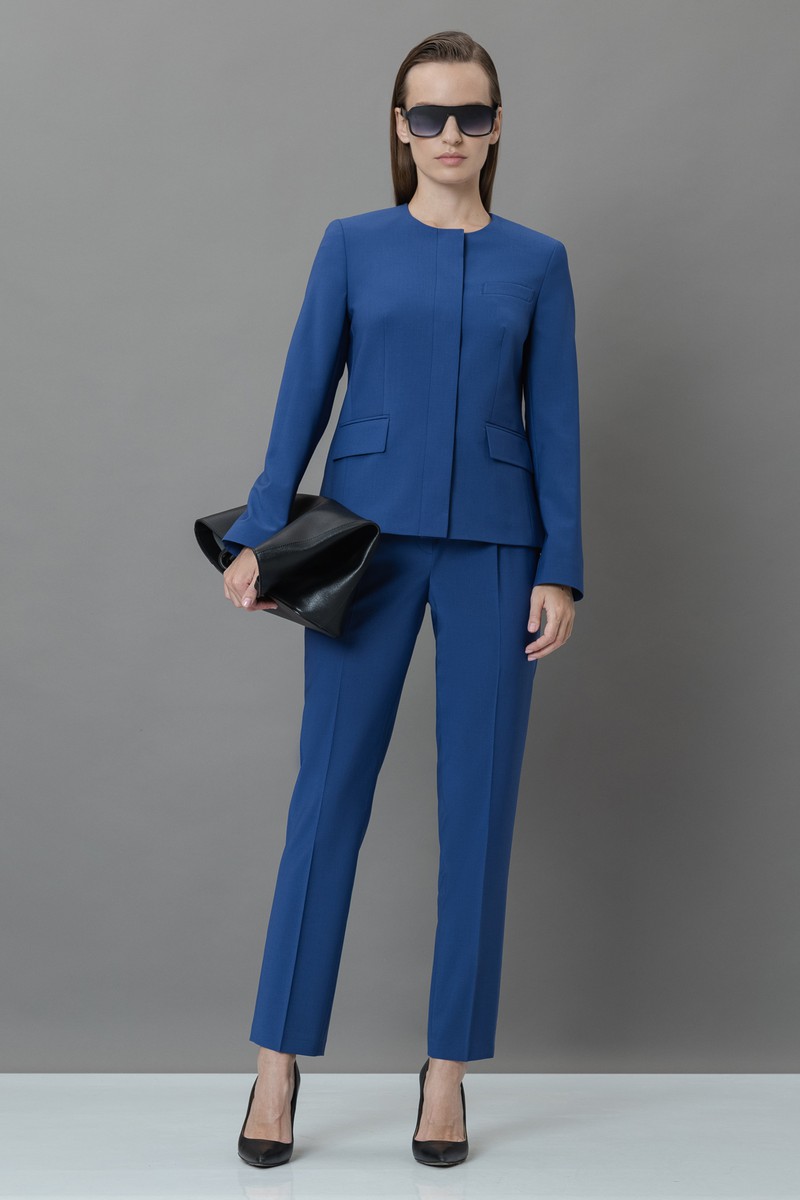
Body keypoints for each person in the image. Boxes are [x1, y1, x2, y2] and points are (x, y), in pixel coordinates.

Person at [222, 29, 584, 1169]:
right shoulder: (352, 245)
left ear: (496, 127)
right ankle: (276, 1063)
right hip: (363, 546)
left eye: (469, 115)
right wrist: (260, 534)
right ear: (399, 127)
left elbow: (557, 423)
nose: (449, 135)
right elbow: (302, 391)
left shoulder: (537, 262)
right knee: (326, 796)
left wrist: (561, 565)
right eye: (428, 115)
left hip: (496, 551)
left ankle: (447, 1073)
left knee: (478, 813)